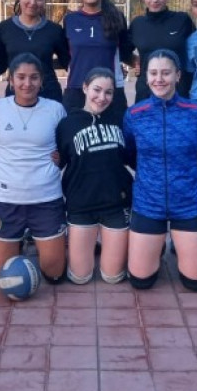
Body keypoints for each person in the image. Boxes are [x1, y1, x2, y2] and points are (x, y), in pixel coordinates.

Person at [123, 49, 197, 291]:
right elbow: (130, 154)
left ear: (178, 75)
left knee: (195, 283)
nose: (159, 79)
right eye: (153, 73)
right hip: (148, 202)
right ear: (146, 76)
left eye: (165, 73)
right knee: (141, 282)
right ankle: (156, 244)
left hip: (189, 202)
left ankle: (178, 245)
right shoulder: (134, 115)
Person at [0, 53, 68, 284]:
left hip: (46, 199)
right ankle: (16, 241)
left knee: (54, 274)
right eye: (20, 77)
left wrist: (61, 158)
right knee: (2, 275)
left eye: (34, 78)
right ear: (11, 80)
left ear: (42, 81)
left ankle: (36, 240)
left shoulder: (55, 110)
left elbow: (65, 147)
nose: (27, 83)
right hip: (7, 199)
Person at [56, 67, 132, 284]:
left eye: (109, 92)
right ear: (85, 88)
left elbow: (131, 157)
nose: (102, 97)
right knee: (80, 277)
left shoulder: (121, 120)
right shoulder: (67, 124)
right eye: (97, 90)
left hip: (116, 204)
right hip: (81, 204)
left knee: (112, 276)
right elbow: (58, 161)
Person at [62, 0, 132, 123]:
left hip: (109, 92)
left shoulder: (117, 18)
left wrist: (138, 62)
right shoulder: (70, 20)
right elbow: (65, 55)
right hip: (76, 91)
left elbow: (125, 52)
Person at [0, 0, 70, 103]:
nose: (33, 2)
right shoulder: (3, 29)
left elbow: (68, 63)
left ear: (45, 0)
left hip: (49, 96)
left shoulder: (54, 30)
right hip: (15, 96)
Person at [128, 0, 194, 102]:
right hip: (146, 94)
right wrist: (136, 62)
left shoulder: (182, 20)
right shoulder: (137, 24)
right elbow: (123, 50)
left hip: (178, 94)